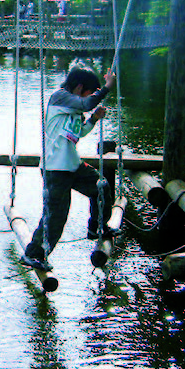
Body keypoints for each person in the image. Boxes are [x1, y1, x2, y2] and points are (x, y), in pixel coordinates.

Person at [20, 66, 119, 272]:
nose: (91, 97)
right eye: (89, 92)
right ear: (79, 87)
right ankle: (34, 254)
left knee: (100, 186)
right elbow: (87, 103)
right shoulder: (60, 97)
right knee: (56, 215)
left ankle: (96, 227)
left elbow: (78, 132)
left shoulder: (73, 109)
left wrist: (93, 119)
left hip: (72, 165)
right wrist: (107, 87)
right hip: (56, 169)